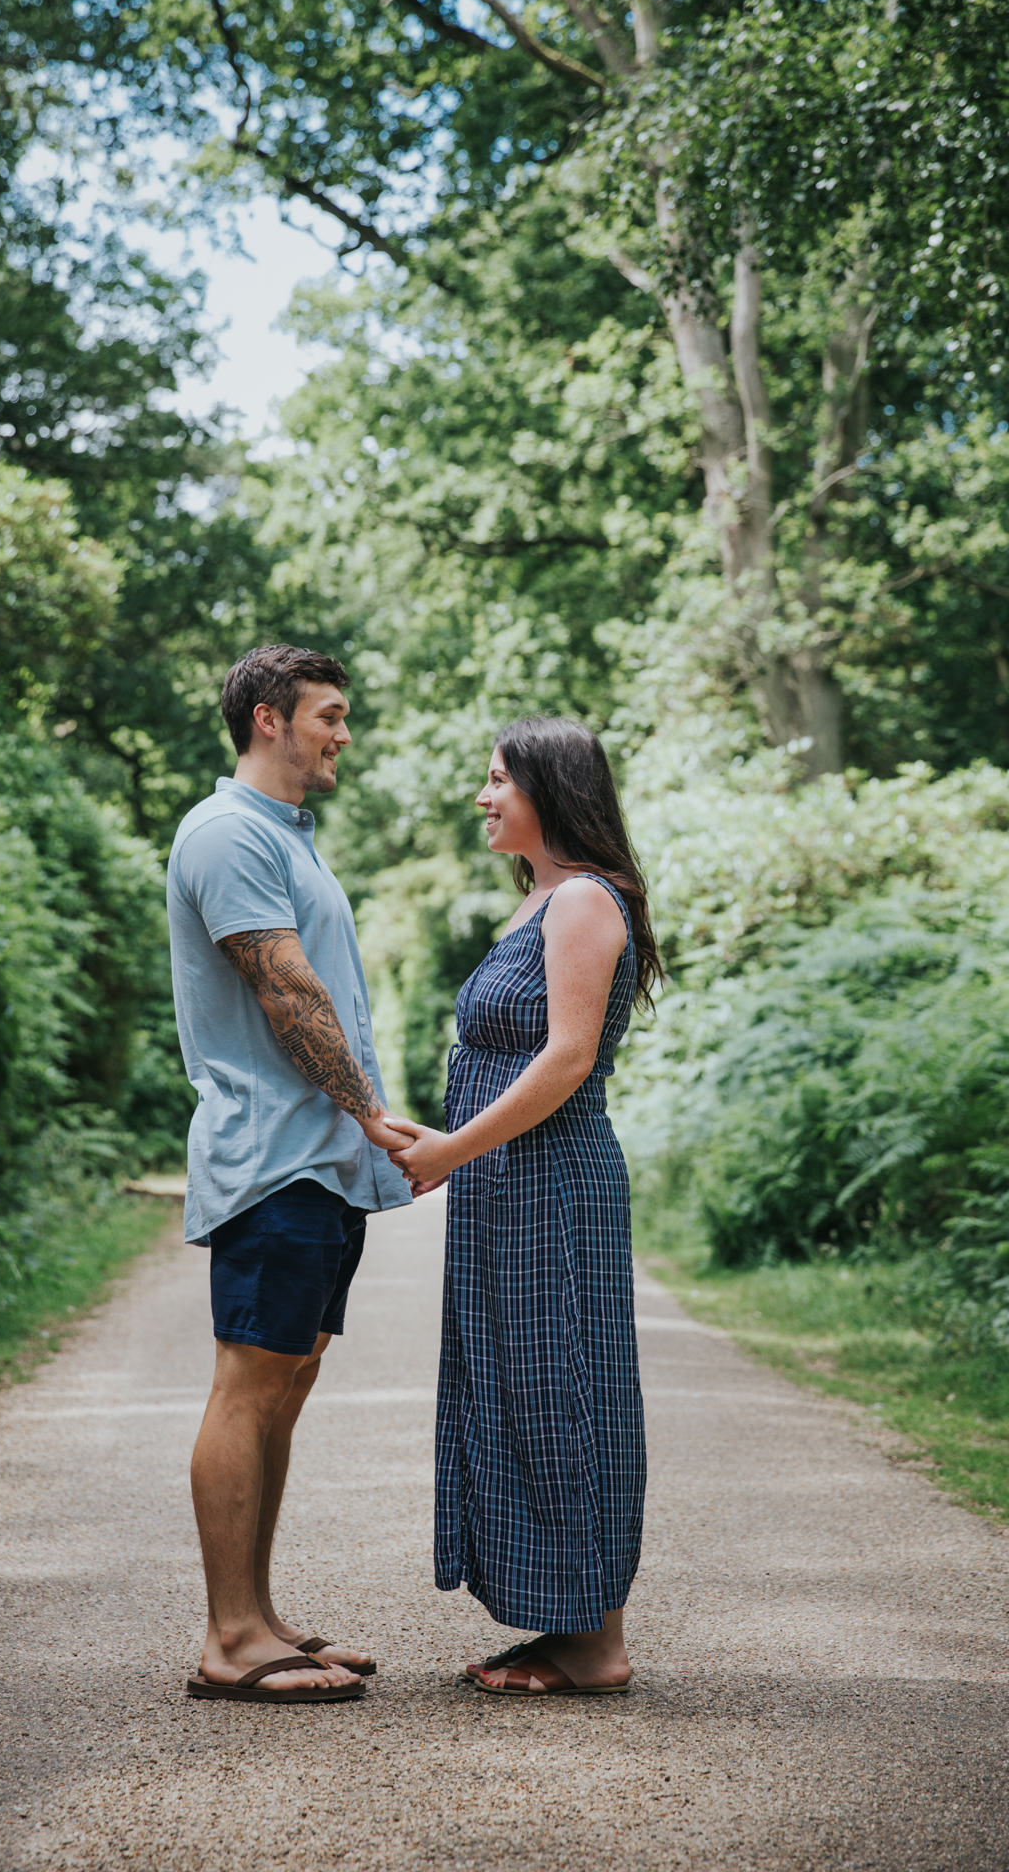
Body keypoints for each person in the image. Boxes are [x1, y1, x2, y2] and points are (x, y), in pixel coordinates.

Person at [386, 717, 662, 1698]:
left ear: (551, 787)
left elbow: (566, 1058)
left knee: (566, 1392)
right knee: (520, 1389)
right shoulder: (537, 901)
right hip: (506, 1186)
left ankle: (596, 1640)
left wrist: (452, 1150)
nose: (482, 794)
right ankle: (565, 1620)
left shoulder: (583, 900)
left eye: (498, 777)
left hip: (553, 1183)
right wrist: (435, 1139)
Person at [166, 645, 413, 1702]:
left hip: (320, 1161)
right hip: (272, 1155)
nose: (341, 734)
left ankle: (259, 1615)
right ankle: (228, 1636)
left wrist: (357, 1135)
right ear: (268, 717)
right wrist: (368, 1108)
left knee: (287, 1385)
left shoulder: (286, 835)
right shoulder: (226, 832)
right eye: (328, 714)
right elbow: (287, 992)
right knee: (248, 1381)